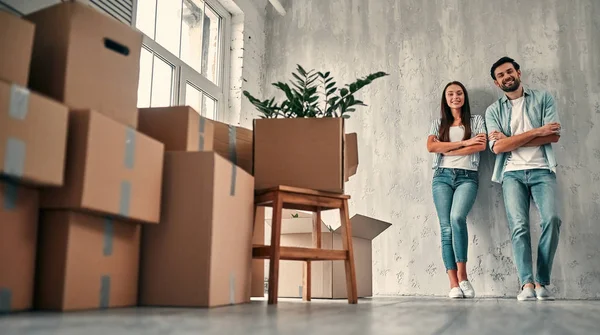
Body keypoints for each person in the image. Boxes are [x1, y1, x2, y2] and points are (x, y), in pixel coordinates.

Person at [485, 56, 562, 301]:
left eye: (509, 71)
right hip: (511, 174)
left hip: (542, 169)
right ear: (497, 83)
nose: (506, 77)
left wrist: (511, 139)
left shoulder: (543, 98)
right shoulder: (493, 110)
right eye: (501, 75)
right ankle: (526, 284)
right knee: (519, 227)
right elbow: (497, 148)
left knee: (552, 219)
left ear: (518, 72)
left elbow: (554, 136)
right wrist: (538, 130)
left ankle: (541, 281)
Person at [427, 81, 487, 298]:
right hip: (441, 178)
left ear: (464, 96)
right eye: (450, 94)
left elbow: (481, 145)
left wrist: (448, 148)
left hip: (467, 178)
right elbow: (432, 147)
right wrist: (464, 143)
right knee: (445, 228)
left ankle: (463, 277)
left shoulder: (477, 121)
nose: (455, 97)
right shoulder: (438, 124)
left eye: (459, 93)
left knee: (457, 218)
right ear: (445, 98)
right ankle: (453, 283)